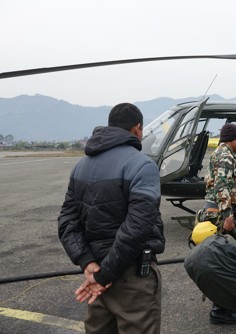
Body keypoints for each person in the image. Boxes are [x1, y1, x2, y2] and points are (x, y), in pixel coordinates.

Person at [58, 103, 165, 334]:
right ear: (137, 128)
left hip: (95, 272)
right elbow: (137, 228)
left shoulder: (80, 167)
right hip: (129, 277)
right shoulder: (142, 165)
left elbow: (67, 221)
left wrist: (87, 262)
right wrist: (104, 274)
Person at [199, 122, 236, 324]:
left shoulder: (217, 153)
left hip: (212, 209)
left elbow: (211, 181)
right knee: (224, 259)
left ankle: (223, 305)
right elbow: (222, 186)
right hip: (219, 213)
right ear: (232, 139)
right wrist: (227, 215)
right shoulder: (226, 156)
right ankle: (220, 310)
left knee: (219, 258)